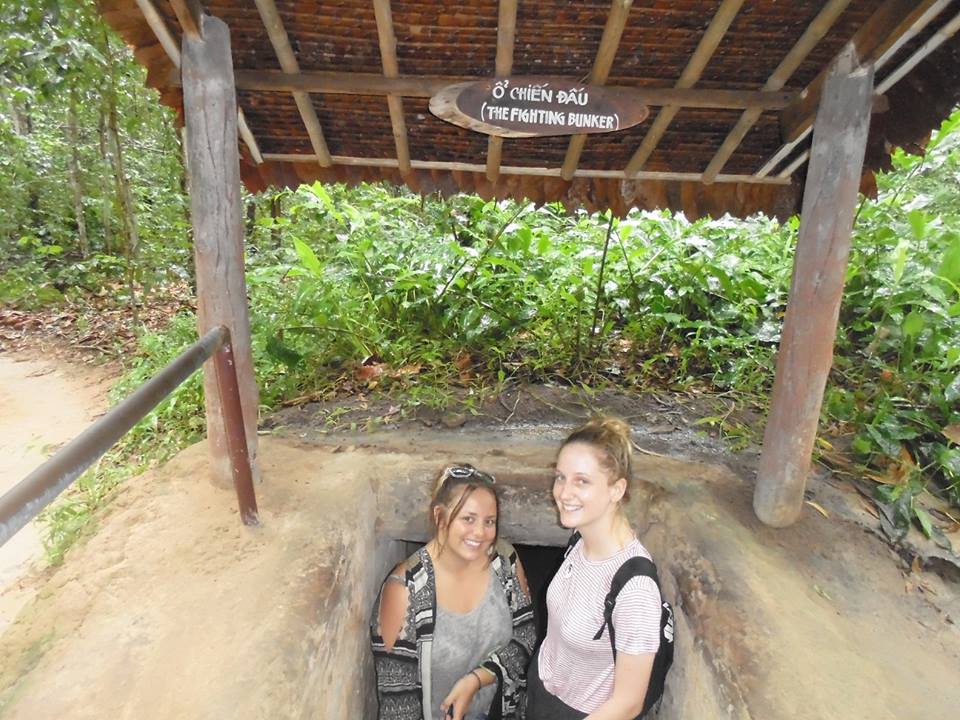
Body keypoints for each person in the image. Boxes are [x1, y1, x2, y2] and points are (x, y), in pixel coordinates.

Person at [371, 464, 536, 720]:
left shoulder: (504, 561)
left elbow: (525, 636)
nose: (480, 533)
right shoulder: (405, 590)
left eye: (489, 521)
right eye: (468, 519)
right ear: (439, 516)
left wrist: (478, 679)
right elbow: (398, 706)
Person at [526, 417, 662, 720]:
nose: (563, 493)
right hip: (542, 691)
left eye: (582, 481)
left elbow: (628, 703)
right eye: (560, 477)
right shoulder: (579, 540)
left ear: (616, 489)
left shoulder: (635, 590)